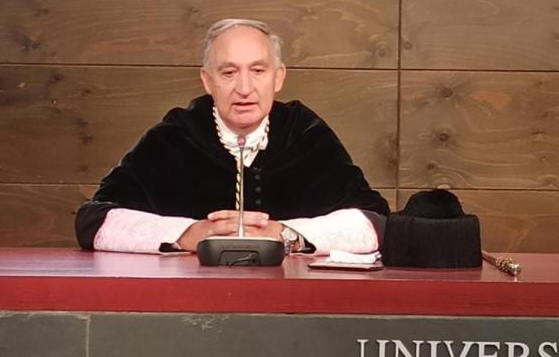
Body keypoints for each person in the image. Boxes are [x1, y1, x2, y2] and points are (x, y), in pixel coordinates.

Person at [76, 18, 389, 254]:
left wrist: (287, 235)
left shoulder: (305, 134)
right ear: (207, 81)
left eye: (258, 71)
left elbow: (376, 222)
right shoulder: (173, 138)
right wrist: (186, 234)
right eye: (228, 73)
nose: (244, 88)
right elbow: (93, 220)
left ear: (278, 78)